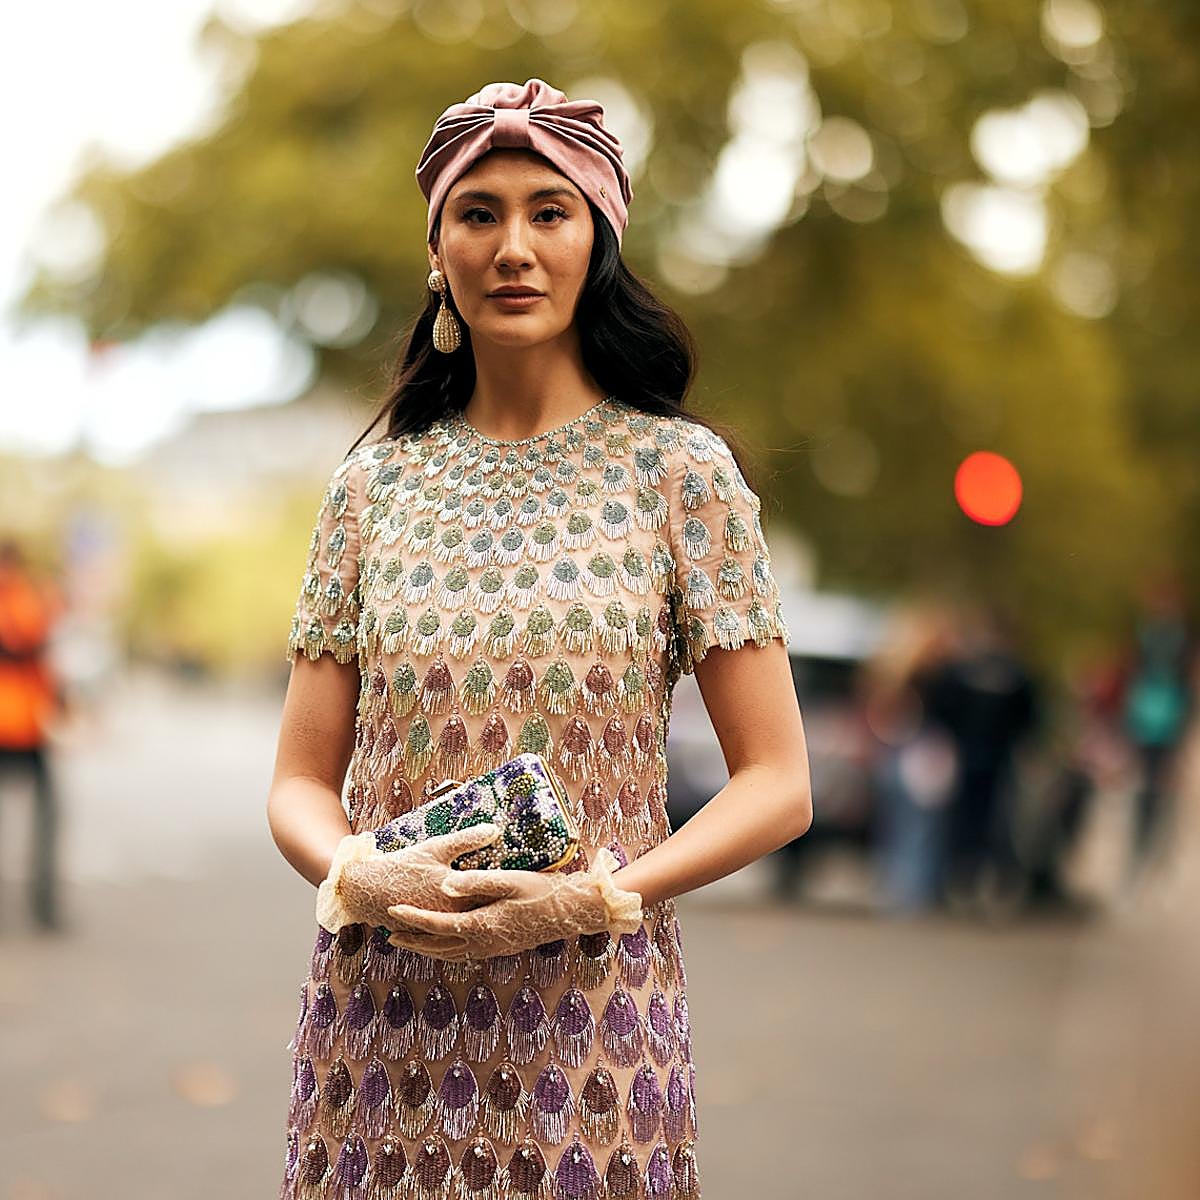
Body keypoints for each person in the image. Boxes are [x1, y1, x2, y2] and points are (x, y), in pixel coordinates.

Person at [267, 78, 812, 1198]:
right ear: (439, 254)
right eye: (479, 214)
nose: (513, 247)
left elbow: (779, 783)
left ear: (596, 239)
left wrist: (600, 897)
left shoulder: (680, 475)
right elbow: (299, 784)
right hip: (381, 1025)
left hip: (594, 1023)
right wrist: (357, 872)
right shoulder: (371, 490)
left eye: (549, 212)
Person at [861, 599, 961, 915]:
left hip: (901, 752)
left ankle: (899, 885)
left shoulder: (899, 670)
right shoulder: (935, 674)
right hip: (921, 755)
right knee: (918, 827)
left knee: (898, 825)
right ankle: (910, 888)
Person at [0, 537, 64, 931]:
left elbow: (37, 653)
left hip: (23, 724)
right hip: (20, 725)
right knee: (48, 811)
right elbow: (37, 647)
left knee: (48, 811)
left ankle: (44, 902)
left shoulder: (28, 597)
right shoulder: (28, 598)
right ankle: (43, 904)